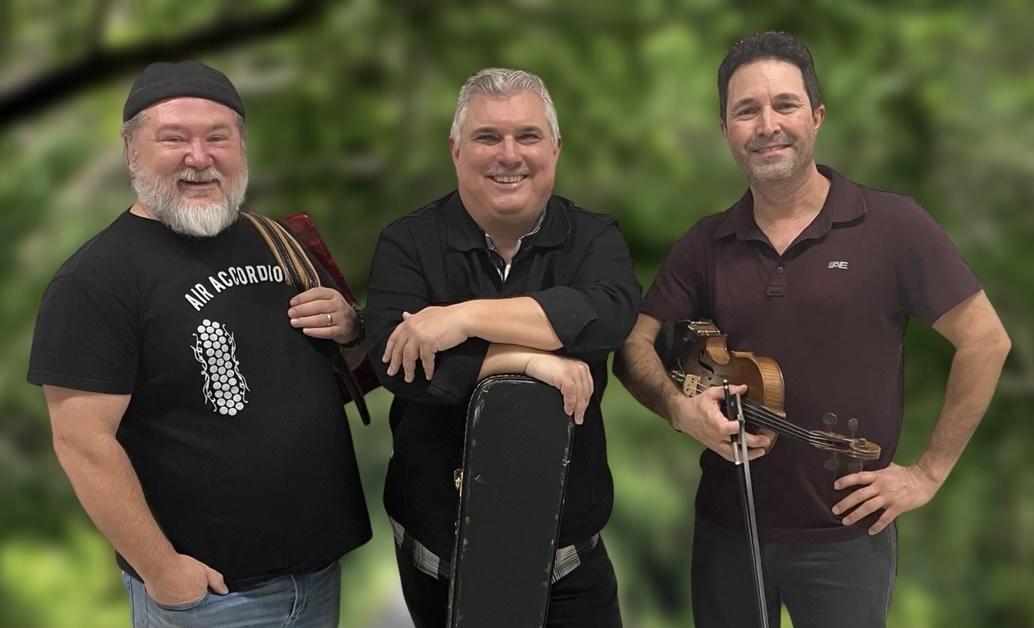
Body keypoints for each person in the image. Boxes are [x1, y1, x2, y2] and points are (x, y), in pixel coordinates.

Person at [614, 31, 1010, 628]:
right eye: (746, 111)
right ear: (726, 131)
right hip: (726, 529)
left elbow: (985, 340)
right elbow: (633, 346)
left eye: (785, 105)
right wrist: (679, 410)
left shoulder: (894, 225)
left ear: (817, 116)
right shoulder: (706, 242)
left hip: (848, 537)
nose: (767, 124)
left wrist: (927, 474)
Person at [27, 60, 371, 628]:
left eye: (218, 137)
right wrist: (162, 570)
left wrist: (351, 324)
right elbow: (81, 442)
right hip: (210, 598)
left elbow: (350, 363)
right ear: (131, 151)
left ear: (241, 147)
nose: (199, 156)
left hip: (318, 575)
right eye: (173, 139)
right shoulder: (96, 280)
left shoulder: (277, 239)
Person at [364, 67, 640, 628]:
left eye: (528, 136)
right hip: (438, 560)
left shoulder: (594, 238)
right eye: (488, 136)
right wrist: (527, 358)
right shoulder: (407, 242)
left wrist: (462, 319)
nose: (508, 154)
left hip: (570, 561)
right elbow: (403, 369)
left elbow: (606, 317)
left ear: (556, 148)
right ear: (455, 149)